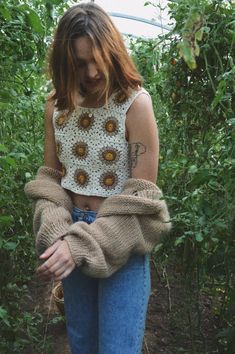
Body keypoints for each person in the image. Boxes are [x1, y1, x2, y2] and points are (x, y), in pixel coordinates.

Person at [28, 2, 164, 353]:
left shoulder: (135, 104)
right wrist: (58, 233)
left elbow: (141, 197)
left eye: (96, 59)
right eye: (79, 62)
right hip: (73, 230)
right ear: (65, 61)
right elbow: (50, 180)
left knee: (117, 347)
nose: (91, 72)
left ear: (112, 51)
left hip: (122, 239)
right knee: (83, 343)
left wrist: (77, 246)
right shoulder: (57, 106)